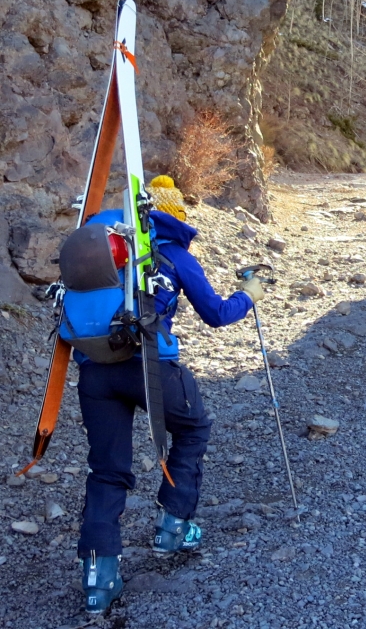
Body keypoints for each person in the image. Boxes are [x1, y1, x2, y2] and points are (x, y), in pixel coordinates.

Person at [77, 176, 265, 613]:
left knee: (106, 469)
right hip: (151, 367)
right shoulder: (174, 255)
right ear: (174, 216)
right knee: (194, 428)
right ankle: (173, 528)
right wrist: (249, 295)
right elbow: (216, 314)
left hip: (96, 372)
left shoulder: (106, 251)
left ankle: (99, 581)